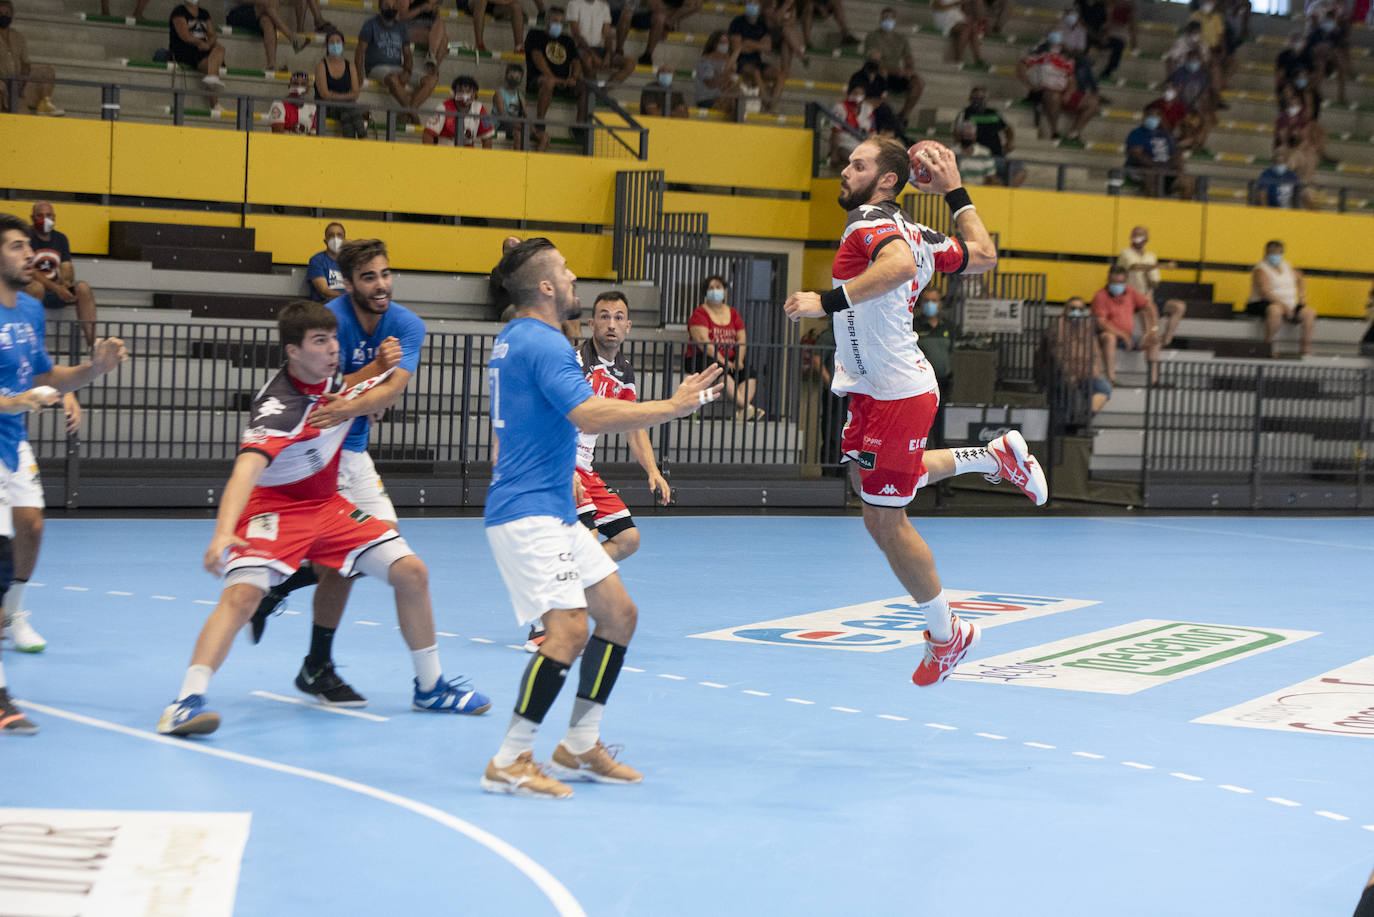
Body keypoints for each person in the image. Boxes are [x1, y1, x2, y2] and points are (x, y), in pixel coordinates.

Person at [782, 137, 1047, 688]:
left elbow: (898, 266)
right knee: (870, 484)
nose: (845, 170)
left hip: (896, 392)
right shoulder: (921, 232)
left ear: (885, 180)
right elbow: (984, 256)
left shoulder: (870, 222)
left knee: (883, 518)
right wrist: (955, 191)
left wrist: (823, 302)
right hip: (875, 390)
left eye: (858, 164)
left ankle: (948, 635)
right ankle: (992, 456)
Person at [157, 300, 490, 737]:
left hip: (328, 506)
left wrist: (373, 368)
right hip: (274, 510)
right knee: (242, 597)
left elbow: (347, 383)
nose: (333, 348)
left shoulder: (327, 376)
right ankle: (185, 702)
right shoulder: (279, 408)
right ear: (293, 351)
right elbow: (246, 470)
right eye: (320, 341)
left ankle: (430, 687)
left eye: (333, 338)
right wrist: (222, 533)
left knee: (412, 572)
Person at [479, 237, 722, 797]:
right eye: (563, 272)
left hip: (552, 509)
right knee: (567, 631)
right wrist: (673, 406)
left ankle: (580, 743)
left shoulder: (518, 335)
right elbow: (587, 412)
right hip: (528, 512)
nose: (573, 280)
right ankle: (511, 758)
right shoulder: (544, 344)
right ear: (544, 287)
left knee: (618, 615)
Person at [248, 240, 436, 707]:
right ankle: (317, 664)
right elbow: (310, 389)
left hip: (353, 452)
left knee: (376, 547)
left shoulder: (407, 324)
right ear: (347, 283)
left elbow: (392, 389)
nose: (381, 284)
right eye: (369, 277)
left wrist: (354, 403)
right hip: (313, 456)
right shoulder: (329, 322)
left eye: (386, 274)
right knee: (358, 556)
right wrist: (366, 376)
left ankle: (282, 592)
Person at [0, 213, 128, 656]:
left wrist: (93, 370)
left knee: (31, 526)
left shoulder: (32, 309)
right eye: (17, 246)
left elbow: (46, 374)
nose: (30, 254)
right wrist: (15, 400)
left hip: (12, 437)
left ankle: (12, 613)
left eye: (27, 246)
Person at [524, 290, 672, 651]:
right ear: (591, 324)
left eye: (618, 317)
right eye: (604, 316)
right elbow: (550, 411)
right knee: (587, 546)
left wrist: (653, 470)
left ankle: (561, 591)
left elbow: (632, 426)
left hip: (586, 469)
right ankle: (547, 617)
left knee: (627, 539)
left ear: (628, 326)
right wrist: (562, 463)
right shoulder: (574, 360)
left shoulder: (623, 371)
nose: (611, 324)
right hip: (559, 464)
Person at [686, 275, 764, 422]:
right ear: (705, 292)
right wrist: (722, 360)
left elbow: (741, 339)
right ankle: (747, 407)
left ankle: (743, 410)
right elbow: (703, 341)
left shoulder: (733, 313)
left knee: (749, 372)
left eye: (718, 287)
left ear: (725, 291)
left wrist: (739, 360)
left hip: (732, 358)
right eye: (711, 288)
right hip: (701, 357)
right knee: (721, 368)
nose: (715, 291)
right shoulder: (700, 313)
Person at [25, 202, 97, 347]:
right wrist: (57, 288)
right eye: (40, 215)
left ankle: (93, 344)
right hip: (33, 291)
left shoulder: (60, 238)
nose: (45, 219)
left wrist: (66, 284)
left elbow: (66, 266)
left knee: (83, 287)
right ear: (32, 218)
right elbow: (30, 270)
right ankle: (31, 344)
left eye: (49, 215)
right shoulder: (26, 237)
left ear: (54, 217)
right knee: (36, 287)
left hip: (55, 291)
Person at [356, 0, 436, 117]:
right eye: (387, 5)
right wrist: (359, 74)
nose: (391, 8)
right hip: (376, 67)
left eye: (393, 5)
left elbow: (407, 53)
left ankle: (408, 111)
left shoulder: (401, 27)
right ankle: (412, 114)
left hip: (397, 67)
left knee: (431, 80)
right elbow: (359, 51)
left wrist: (407, 71)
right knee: (393, 78)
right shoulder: (370, 24)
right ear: (380, 7)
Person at [1090, 265, 1163, 384]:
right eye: (1114, 282)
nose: (1117, 284)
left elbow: (1149, 305)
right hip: (1107, 335)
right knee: (1109, 337)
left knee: (1154, 340)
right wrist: (1123, 335)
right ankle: (1111, 378)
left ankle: (1153, 381)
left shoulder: (1130, 291)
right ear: (1108, 280)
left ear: (1125, 281)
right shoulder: (1100, 296)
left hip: (1128, 335)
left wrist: (1153, 329)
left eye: (1121, 282)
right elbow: (1101, 323)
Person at [526, 8, 586, 152]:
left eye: (560, 22)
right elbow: (537, 58)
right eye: (554, 21)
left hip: (564, 82)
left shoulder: (568, 40)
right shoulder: (535, 34)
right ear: (546, 21)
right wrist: (556, 79)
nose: (557, 24)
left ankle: (579, 127)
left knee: (585, 88)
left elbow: (576, 61)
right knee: (549, 82)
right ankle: (540, 122)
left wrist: (573, 77)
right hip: (539, 79)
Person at [1045, 296, 1109, 430]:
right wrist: (1069, 374)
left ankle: (1083, 419)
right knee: (1070, 390)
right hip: (1065, 375)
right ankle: (1076, 421)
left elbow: (1095, 352)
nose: (1076, 312)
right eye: (1073, 308)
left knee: (1104, 387)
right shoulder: (1058, 327)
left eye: (1080, 309)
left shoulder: (1086, 327)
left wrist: (1096, 369)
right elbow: (1058, 356)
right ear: (1066, 310)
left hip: (1086, 373)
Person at [1115, 226, 1185, 346]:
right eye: (1135, 234)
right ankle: (1149, 338)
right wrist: (1161, 266)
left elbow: (1155, 282)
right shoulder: (1125, 253)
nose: (1138, 237)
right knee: (1146, 307)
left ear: (1147, 239)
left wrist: (1151, 281)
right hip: (1130, 297)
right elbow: (1134, 267)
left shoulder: (1151, 257)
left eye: (1141, 235)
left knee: (1178, 306)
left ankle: (1166, 339)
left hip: (1147, 295)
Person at [1247, 239, 1313, 356]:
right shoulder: (1260, 269)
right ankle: (1268, 345)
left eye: (1278, 253)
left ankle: (1305, 350)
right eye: (1272, 253)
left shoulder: (1286, 266)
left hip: (1290, 305)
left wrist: (1302, 298)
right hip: (1263, 303)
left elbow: (1300, 278)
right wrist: (1284, 307)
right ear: (1266, 253)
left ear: (1282, 254)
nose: (1275, 256)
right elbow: (1265, 292)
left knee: (1309, 313)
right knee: (1275, 310)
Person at [861, 8, 923, 125]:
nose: (887, 20)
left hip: (896, 74)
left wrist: (909, 70)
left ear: (895, 20)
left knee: (919, 82)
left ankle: (904, 115)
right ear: (880, 19)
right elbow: (874, 61)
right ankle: (888, 113)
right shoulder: (873, 36)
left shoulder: (901, 39)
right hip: (880, 73)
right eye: (885, 18)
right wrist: (896, 71)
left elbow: (909, 58)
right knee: (882, 72)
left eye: (890, 18)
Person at [0, 1, 62, 115]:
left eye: (7, 13)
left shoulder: (19, 37)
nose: (4, 16)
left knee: (47, 70)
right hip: (2, 83)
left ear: (12, 15)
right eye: (1, 13)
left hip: (18, 84)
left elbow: (25, 63)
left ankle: (45, 103)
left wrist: (21, 81)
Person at [912, 287, 953, 453]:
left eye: (934, 301)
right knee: (919, 427)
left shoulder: (948, 327)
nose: (930, 304)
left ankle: (941, 474)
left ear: (940, 304)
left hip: (943, 384)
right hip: (921, 386)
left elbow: (950, 352)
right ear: (921, 304)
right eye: (927, 301)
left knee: (940, 427)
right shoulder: (914, 325)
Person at [1124, 103, 1193, 199]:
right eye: (1151, 115)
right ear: (1144, 116)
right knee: (1151, 175)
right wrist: (1155, 165)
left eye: (1157, 115)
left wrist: (1175, 163)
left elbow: (1175, 152)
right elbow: (1136, 154)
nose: (1154, 118)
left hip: (1165, 169)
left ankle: (1186, 212)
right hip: (1142, 169)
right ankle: (1155, 208)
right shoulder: (1136, 133)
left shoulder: (1165, 135)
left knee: (1187, 180)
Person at [225, 0, 310, 72]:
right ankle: (292, 37)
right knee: (267, 3)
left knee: (267, 21)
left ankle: (271, 65)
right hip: (235, 13)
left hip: (259, 12)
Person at [168, 0, 227, 102]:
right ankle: (214, 102)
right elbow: (185, 36)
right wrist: (200, 43)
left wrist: (208, 44)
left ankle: (212, 78)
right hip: (186, 49)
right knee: (211, 64)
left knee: (220, 49)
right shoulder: (179, 12)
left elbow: (212, 34)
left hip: (204, 49)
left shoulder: (204, 13)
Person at [314, 28, 366, 139]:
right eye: (331, 42)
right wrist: (346, 97)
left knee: (346, 114)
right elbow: (324, 95)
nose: (335, 44)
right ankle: (364, 137)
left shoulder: (350, 65)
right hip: (326, 107)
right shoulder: (321, 66)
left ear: (343, 44)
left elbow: (356, 93)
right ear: (327, 45)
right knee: (350, 107)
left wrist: (335, 96)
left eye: (338, 41)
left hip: (346, 107)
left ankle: (349, 143)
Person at [567, 0, 632, 85]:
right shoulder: (573, 3)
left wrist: (608, 55)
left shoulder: (604, 6)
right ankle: (593, 92)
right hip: (579, 48)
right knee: (588, 59)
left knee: (630, 63)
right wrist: (593, 55)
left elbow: (607, 35)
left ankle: (604, 92)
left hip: (597, 49)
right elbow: (576, 35)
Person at [729, 2, 779, 113]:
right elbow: (737, 46)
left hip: (756, 60)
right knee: (756, 72)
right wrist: (758, 45)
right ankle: (766, 101)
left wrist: (747, 43)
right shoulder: (737, 22)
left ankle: (773, 103)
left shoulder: (762, 24)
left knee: (779, 75)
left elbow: (768, 46)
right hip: (740, 61)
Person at [423, 75, 496, 147]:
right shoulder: (443, 108)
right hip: (444, 150)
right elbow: (428, 135)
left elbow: (487, 139)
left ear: (474, 94)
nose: (464, 94)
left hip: (467, 154)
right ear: (454, 93)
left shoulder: (479, 108)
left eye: (468, 91)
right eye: (460, 91)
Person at [829, 75, 876, 168]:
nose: (857, 97)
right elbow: (835, 133)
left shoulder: (868, 109)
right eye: (855, 93)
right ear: (849, 93)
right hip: (844, 146)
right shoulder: (840, 108)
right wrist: (833, 154)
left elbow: (872, 133)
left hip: (862, 147)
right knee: (856, 162)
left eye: (860, 94)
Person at [694, 29, 740, 118]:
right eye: (721, 42)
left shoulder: (727, 62)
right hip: (707, 99)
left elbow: (728, 83)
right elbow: (711, 83)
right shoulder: (705, 61)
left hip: (723, 98)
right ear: (714, 44)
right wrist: (728, 68)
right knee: (734, 101)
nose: (724, 45)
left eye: (726, 42)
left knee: (738, 95)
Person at [398, 0, 449, 75]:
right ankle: (433, 66)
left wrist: (434, 9)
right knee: (443, 39)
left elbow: (436, 18)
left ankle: (432, 62)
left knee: (443, 35)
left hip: (428, 28)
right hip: (409, 26)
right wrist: (421, 8)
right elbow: (401, 17)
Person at [492, 62, 530, 150]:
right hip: (501, 125)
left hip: (518, 125)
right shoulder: (499, 94)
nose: (514, 80)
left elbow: (524, 116)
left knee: (544, 137)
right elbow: (503, 117)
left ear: (521, 79)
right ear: (506, 76)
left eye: (517, 78)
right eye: (511, 77)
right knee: (519, 133)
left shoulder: (520, 96)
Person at [306, 222, 346, 302]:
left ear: (344, 240)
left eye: (339, 235)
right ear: (325, 241)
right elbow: (324, 291)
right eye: (331, 235)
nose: (335, 239)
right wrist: (349, 298)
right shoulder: (317, 260)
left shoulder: (350, 261)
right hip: (325, 308)